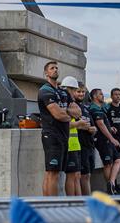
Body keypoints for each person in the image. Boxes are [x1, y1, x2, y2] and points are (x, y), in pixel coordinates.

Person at [38, 61, 82, 196]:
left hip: (64, 137)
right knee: (53, 173)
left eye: (56, 68)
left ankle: (47, 204)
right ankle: (51, 205)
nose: (55, 70)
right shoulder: (45, 90)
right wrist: (68, 112)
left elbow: (78, 112)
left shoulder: (63, 92)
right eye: (52, 68)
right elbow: (58, 115)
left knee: (53, 172)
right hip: (52, 136)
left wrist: (64, 111)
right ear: (46, 73)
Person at [59, 76, 90, 195]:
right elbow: (66, 124)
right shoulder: (63, 103)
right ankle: (71, 202)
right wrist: (78, 123)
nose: (73, 92)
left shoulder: (70, 103)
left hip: (75, 144)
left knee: (76, 175)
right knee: (72, 176)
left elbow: (78, 113)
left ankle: (78, 202)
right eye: (72, 89)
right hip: (69, 144)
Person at [89, 88, 120, 194]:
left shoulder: (101, 108)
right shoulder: (94, 108)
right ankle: (111, 188)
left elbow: (104, 124)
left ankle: (111, 183)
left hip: (107, 140)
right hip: (102, 140)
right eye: (101, 94)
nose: (103, 95)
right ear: (95, 96)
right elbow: (100, 124)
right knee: (108, 164)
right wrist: (112, 138)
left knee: (118, 160)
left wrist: (111, 128)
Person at [76, 81, 97, 195]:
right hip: (80, 145)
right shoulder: (73, 107)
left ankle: (87, 199)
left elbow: (93, 126)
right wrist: (83, 127)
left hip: (90, 145)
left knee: (88, 175)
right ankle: (86, 200)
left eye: (83, 92)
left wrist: (93, 129)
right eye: (78, 91)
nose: (81, 94)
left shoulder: (85, 108)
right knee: (83, 176)